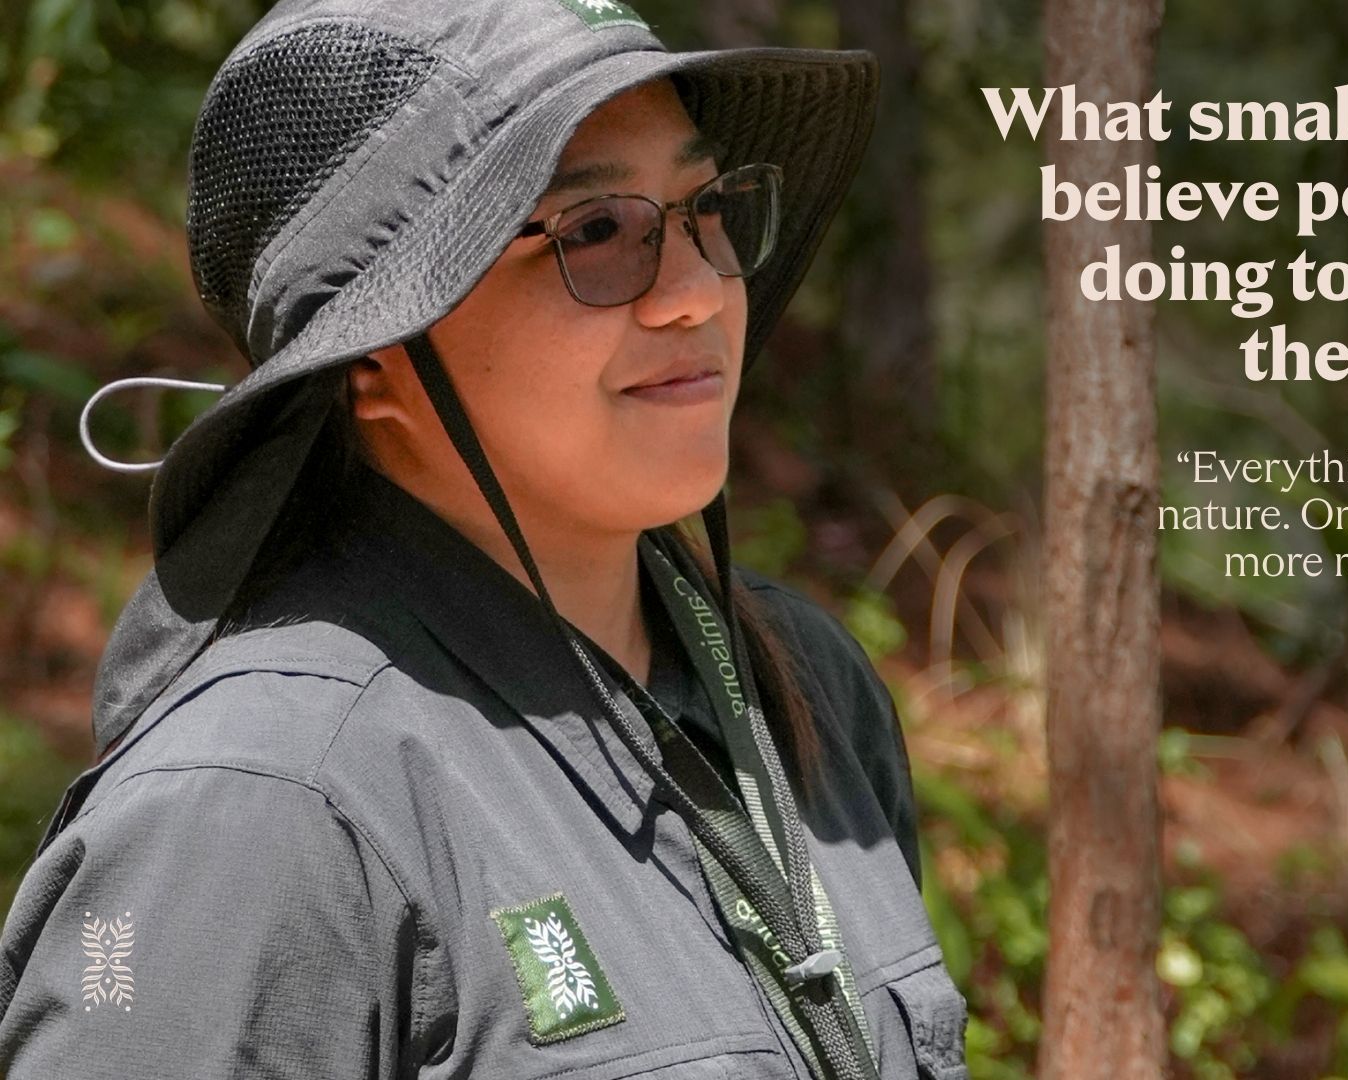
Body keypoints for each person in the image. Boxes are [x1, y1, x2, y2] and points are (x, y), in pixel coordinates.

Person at [0, 1, 969, 1077]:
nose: (698, 292)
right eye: (594, 232)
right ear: (373, 362)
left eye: (704, 208)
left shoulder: (808, 688)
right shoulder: (261, 806)